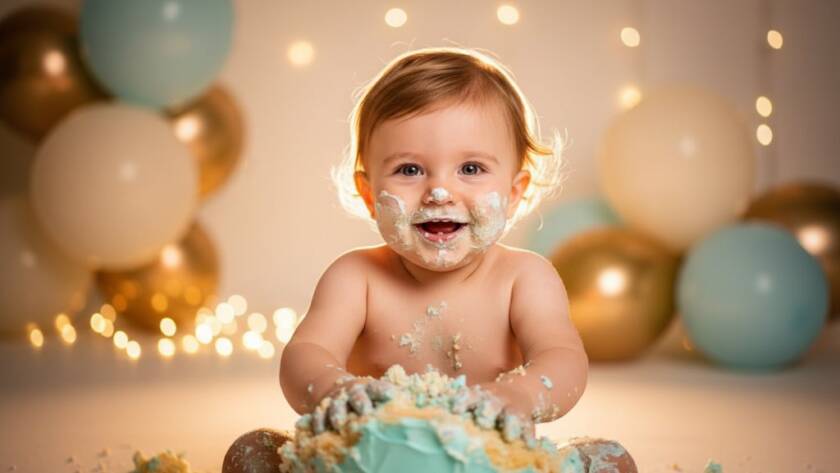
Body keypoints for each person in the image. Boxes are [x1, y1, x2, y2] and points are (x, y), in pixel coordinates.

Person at [224, 46, 636, 473]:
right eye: (409, 170)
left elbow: (563, 358)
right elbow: (306, 352)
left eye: (471, 169)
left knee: (612, 459)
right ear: (368, 194)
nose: (439, 192)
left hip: (489, 460)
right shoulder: (356, 278)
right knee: (251, 451)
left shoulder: (525, 278)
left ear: (515, 192)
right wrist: (334, 389)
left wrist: (521, 395)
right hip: (370, 459)